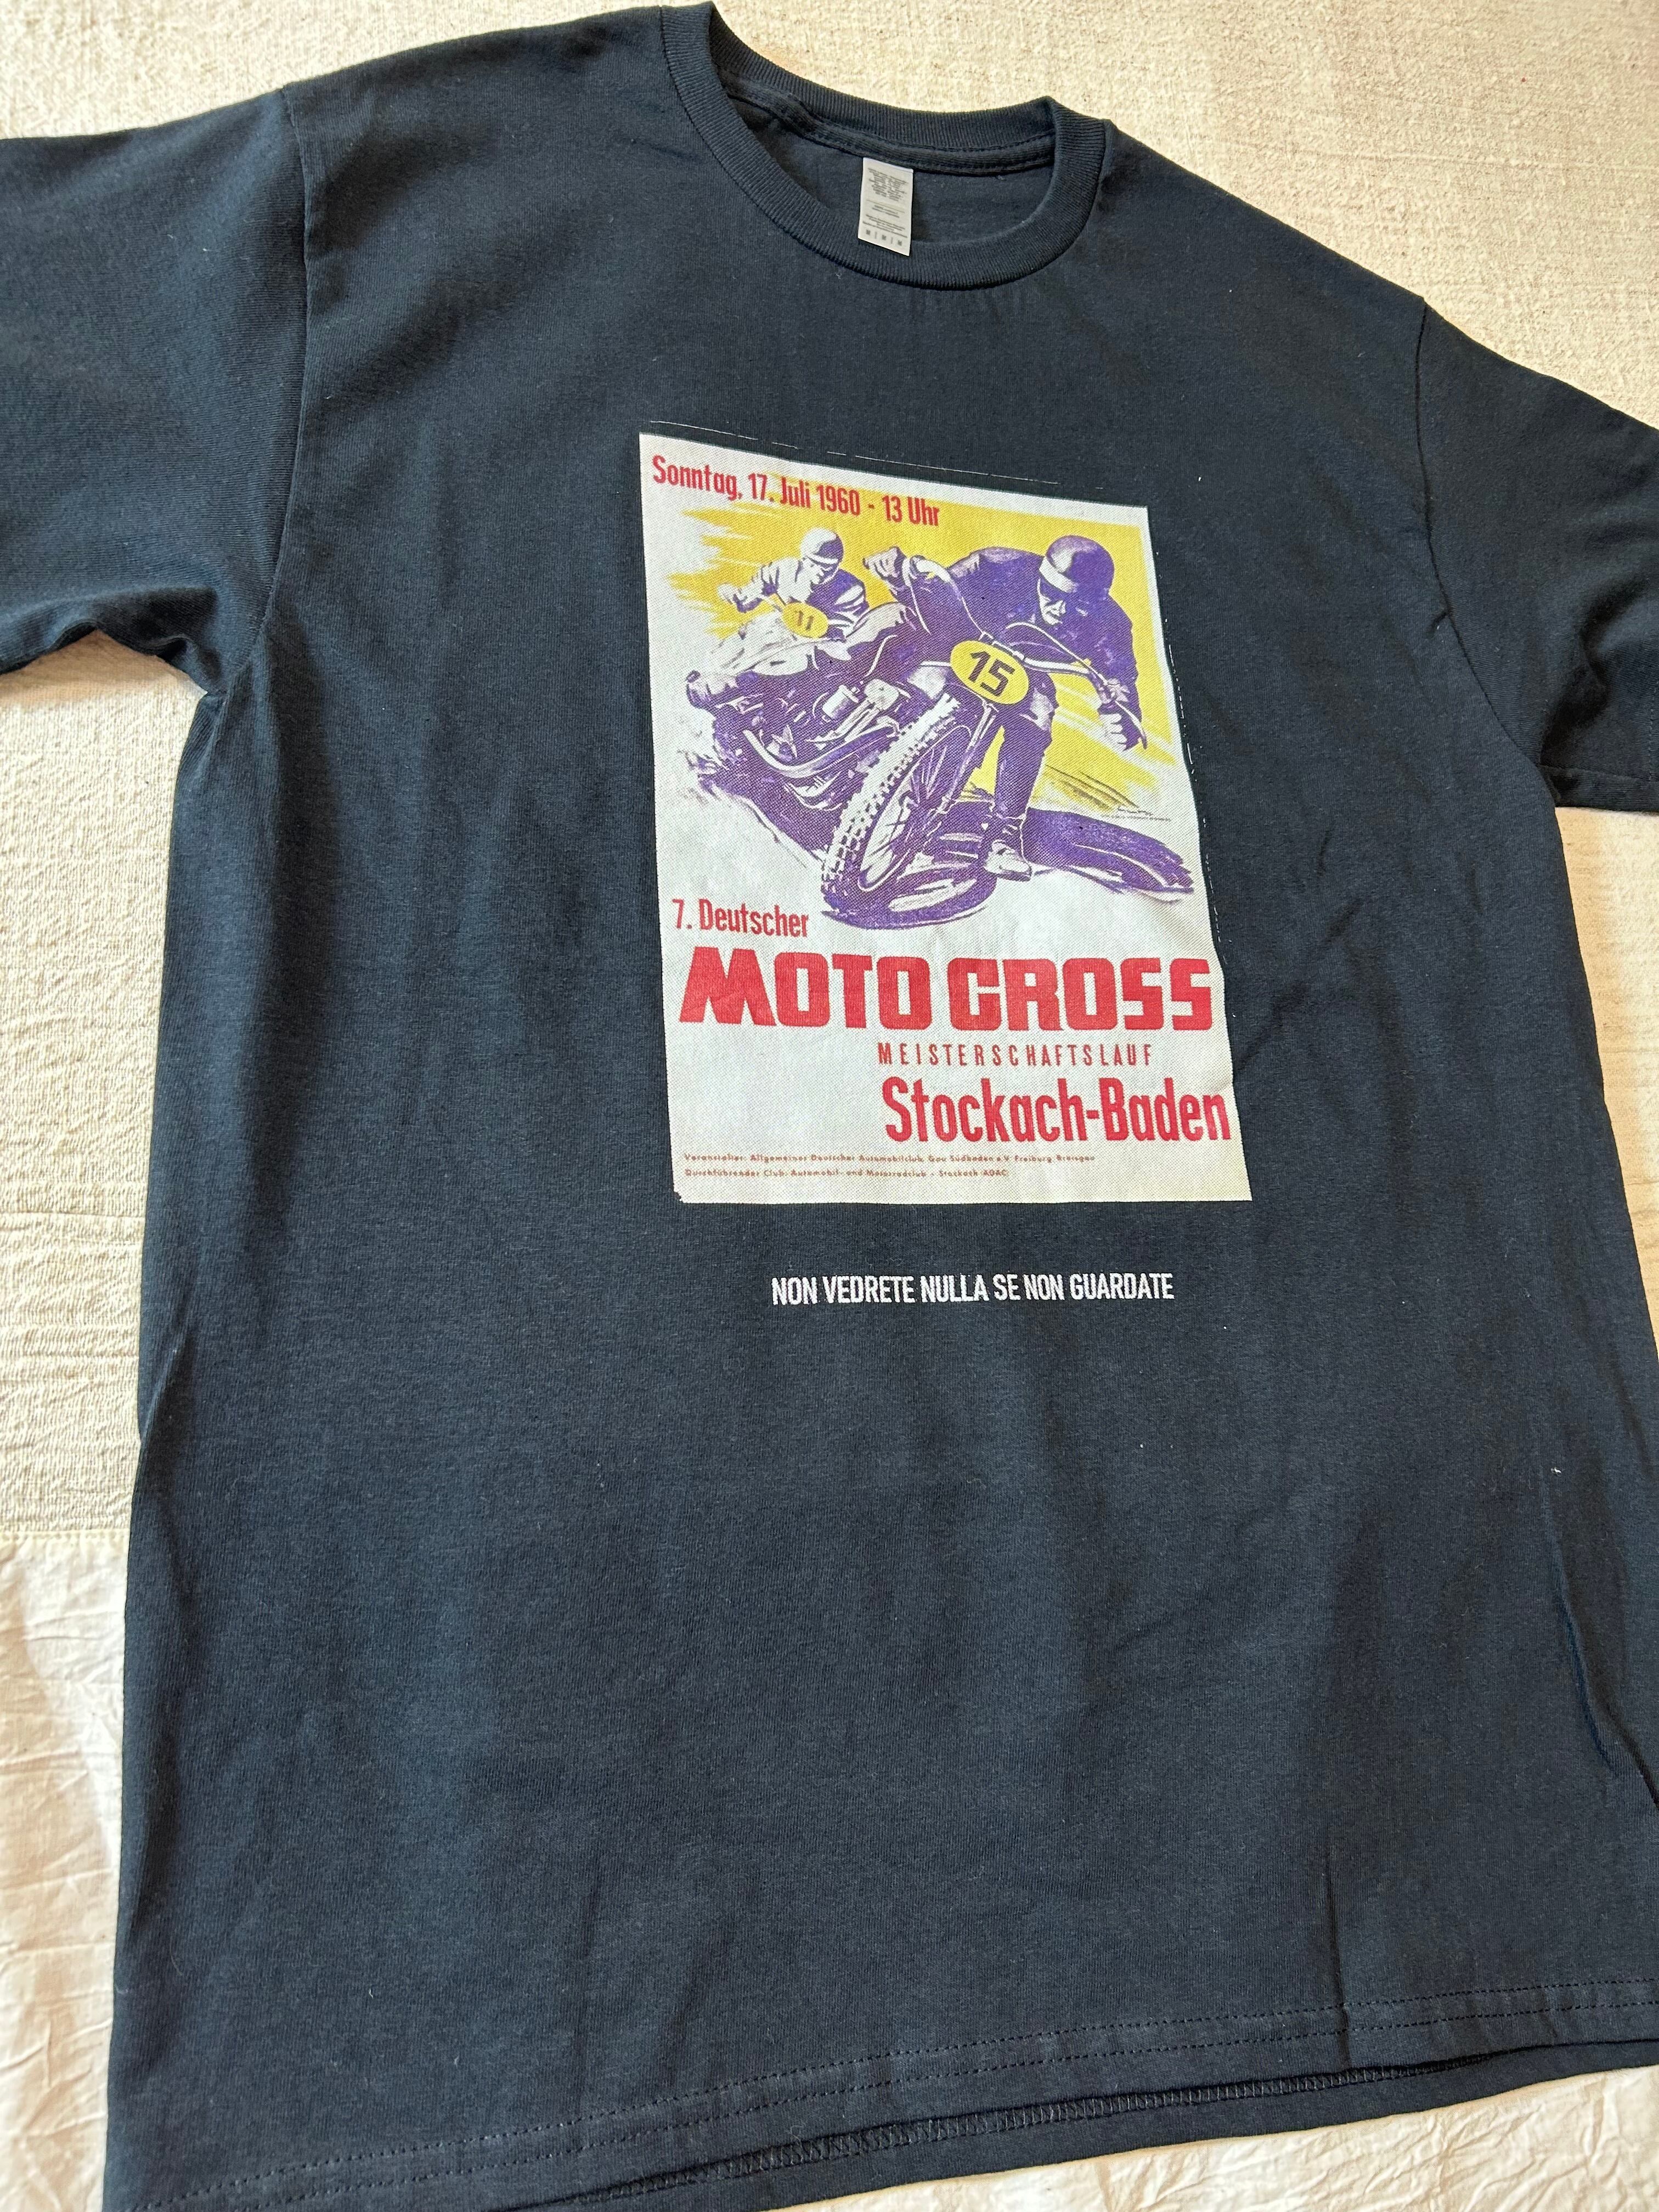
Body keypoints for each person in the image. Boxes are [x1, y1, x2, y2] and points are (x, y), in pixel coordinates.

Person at [865, 533, 1143, 879]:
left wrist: (1123, 713)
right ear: (1041, 576)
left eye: (1078, 604)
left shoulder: (1112, 623)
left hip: (1028, 675)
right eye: (1052, 593)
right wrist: (900, 578)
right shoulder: (996, 565)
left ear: (1098, 601)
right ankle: (838, 719)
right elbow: (936, 598)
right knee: (897, 632)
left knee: (1037, 719)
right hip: (964, 645)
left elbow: (1118, 676)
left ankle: (1003, 833)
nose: (1060, 610)